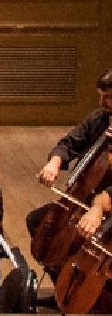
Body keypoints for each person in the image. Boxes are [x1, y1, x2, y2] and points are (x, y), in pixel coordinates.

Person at [27, 68, 112, 239]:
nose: (102, 102)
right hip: (83, 197)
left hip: (106, 203)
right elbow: (69, 143)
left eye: (109, 97)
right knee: (36, 221)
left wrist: (99, 206)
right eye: (100, 96)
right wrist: (55, 162)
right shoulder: (99, 118)